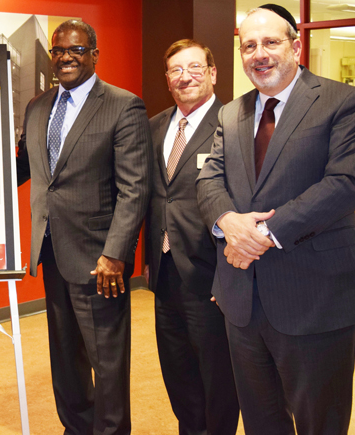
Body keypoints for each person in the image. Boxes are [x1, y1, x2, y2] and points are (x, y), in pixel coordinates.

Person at [197, 4, 355, 435]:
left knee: (320, 422)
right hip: (242, 301)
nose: (260, 54)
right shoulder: (229, 113)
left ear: (296, 46)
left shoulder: (343, 101)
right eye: (249, 46)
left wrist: (261, 233)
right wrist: (228, 220)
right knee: (261, 422)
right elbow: (209, 179)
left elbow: (344, 184)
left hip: (315, 297)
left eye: (271, 42)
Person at [16, 19, 151, 435]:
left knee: (106, 359)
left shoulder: (122, 105)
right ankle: (75, 427)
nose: (66, 57)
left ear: (94, 53)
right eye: (58, 50)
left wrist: (116, 253)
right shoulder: (38, 106)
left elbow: (135, 189)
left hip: (99, 259)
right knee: (65, 353)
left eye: (76, 49)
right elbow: (25, 169)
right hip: (52, 250)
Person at [144, 39, 239, 435]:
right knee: (177, 370)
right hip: (165, 272)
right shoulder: (155, 126)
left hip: (210, 275)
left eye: (195, 68)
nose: (185, 77)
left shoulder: (233, 125)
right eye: (176, 71)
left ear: (213, 73)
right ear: (167, 80)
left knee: (217, 376)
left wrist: (230, 277)